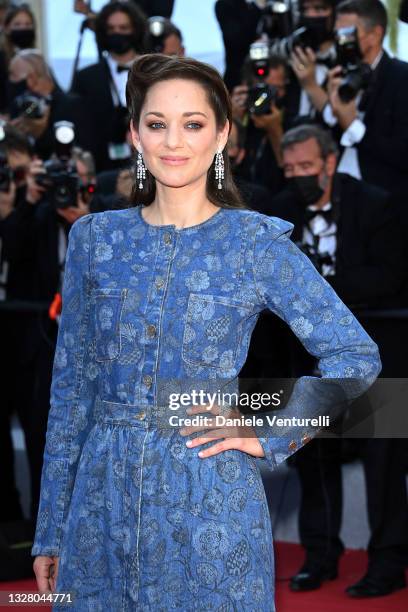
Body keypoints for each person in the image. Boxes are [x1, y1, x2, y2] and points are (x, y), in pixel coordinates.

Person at [31, 54, 380, 610]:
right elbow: (73, 391)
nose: (174, 141)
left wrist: (270, 432)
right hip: (99, 507)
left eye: (193, 123)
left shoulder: (254, 243)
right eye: (157, 123)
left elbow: (355, 358)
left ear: (221, 135)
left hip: (209, 503)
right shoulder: (95, 241)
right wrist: (50, 526)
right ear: (134, 134)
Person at [270, 124, 408, 597]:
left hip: (379, 353)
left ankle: (388, 561)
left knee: (383, 461)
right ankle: (319, 555)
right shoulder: (281, 211)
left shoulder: (374, 203)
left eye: (306, 167)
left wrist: (319, 289)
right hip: (308, 357)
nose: (297, 176)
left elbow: (388, 276)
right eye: (289, 169)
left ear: (330, 162)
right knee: (313, 456)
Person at [324, 0, 408, 204]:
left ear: (375, 34)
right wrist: (330, 108)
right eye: (338, 34)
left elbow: (402, 152)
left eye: (348, 34)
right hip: (339, 199)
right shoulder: (336, 73)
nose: (341, 42)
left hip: (388, 202)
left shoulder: (401, 77)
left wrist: (352, 126)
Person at [71, 1, 147, 172]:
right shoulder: (86, 78)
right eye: (111, 29)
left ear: (135, 30)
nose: (117, 33)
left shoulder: (154, 71)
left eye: (123, 28)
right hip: (102, 171)